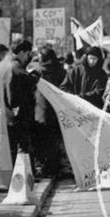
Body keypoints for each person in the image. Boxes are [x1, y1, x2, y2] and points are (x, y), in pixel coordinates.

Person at [0, 39, 39, 164]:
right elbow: (29, 81)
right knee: (21, 148)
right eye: (28, 54)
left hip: (2, 113)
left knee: (9, 149)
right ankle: (22, 176)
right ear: (23, 52)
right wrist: (36, 73)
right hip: (15, 115)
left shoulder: (3, 63)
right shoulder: (15, 66)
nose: (28, 57)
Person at [33, 47, 67, 177]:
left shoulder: (37, 72)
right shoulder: (61, 71)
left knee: (41, 141)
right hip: (57, 110)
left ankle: (42, 167)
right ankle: (54, 168)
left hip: (41, 110)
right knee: (54, 141)